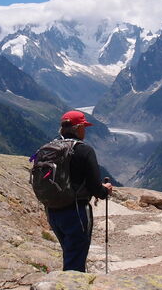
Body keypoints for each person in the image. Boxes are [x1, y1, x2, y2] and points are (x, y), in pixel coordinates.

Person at [45, 110, 113, 272]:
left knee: (70, 252)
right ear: (79, 127)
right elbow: (96, 189)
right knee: (75, 259)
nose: (85, 130)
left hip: (52, 211)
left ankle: (67, 285)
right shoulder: (84, 150)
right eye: (84, 127)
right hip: (76, 212)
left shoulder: (50, 147)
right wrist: (105, 190)